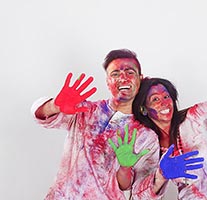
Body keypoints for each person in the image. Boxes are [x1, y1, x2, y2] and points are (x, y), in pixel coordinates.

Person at [31, 49, 166, 199]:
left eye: (129, 72)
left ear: (140, 79)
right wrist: (54, 106)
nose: (123, 78)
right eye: (115, 74)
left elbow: (137, 190)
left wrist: (125, 168)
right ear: (108, 82)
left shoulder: (146, 136)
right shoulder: (84, 110)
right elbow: (41, 116)